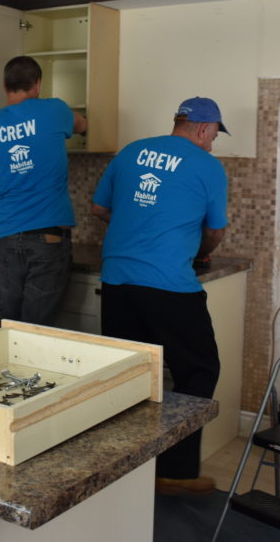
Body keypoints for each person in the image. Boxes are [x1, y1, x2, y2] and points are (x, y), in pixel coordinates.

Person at [91, 96, 229, 497]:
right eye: (215, 135)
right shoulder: (208, 166)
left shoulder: (132, 151)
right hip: (168, 285)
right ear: (203, 128)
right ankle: (176, 471)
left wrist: (138, 223)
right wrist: (201, 250)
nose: (213, 143)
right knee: (199, 370)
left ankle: (122, 468)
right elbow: (216, 231)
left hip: (117, 280)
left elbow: (100, 208)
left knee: (127, 375)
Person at [0, 56, 87, 324]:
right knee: (38, 328)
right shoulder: (55, 110)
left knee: (12, 325)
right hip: (48, 239)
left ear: (4, 86)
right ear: (37, 84)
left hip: (7, 239)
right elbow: (82, 125)